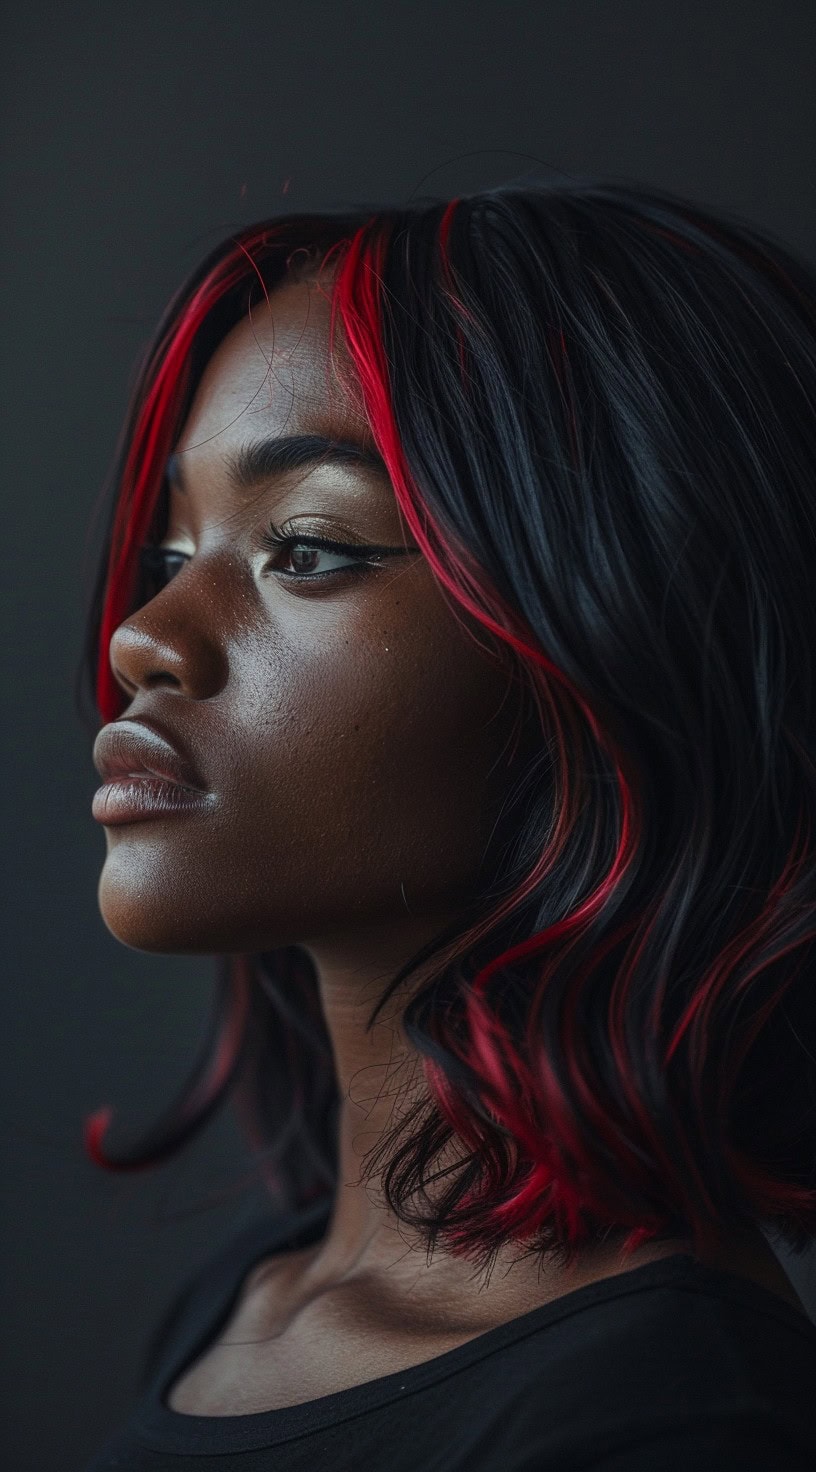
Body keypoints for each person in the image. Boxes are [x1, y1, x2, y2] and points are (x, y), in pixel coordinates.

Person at [79, 176, 816, 1469]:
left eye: (304, 546)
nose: (145, 638)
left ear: (605, 648)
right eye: (168, 554)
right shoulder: (243, 1306)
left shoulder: (666, 1415)